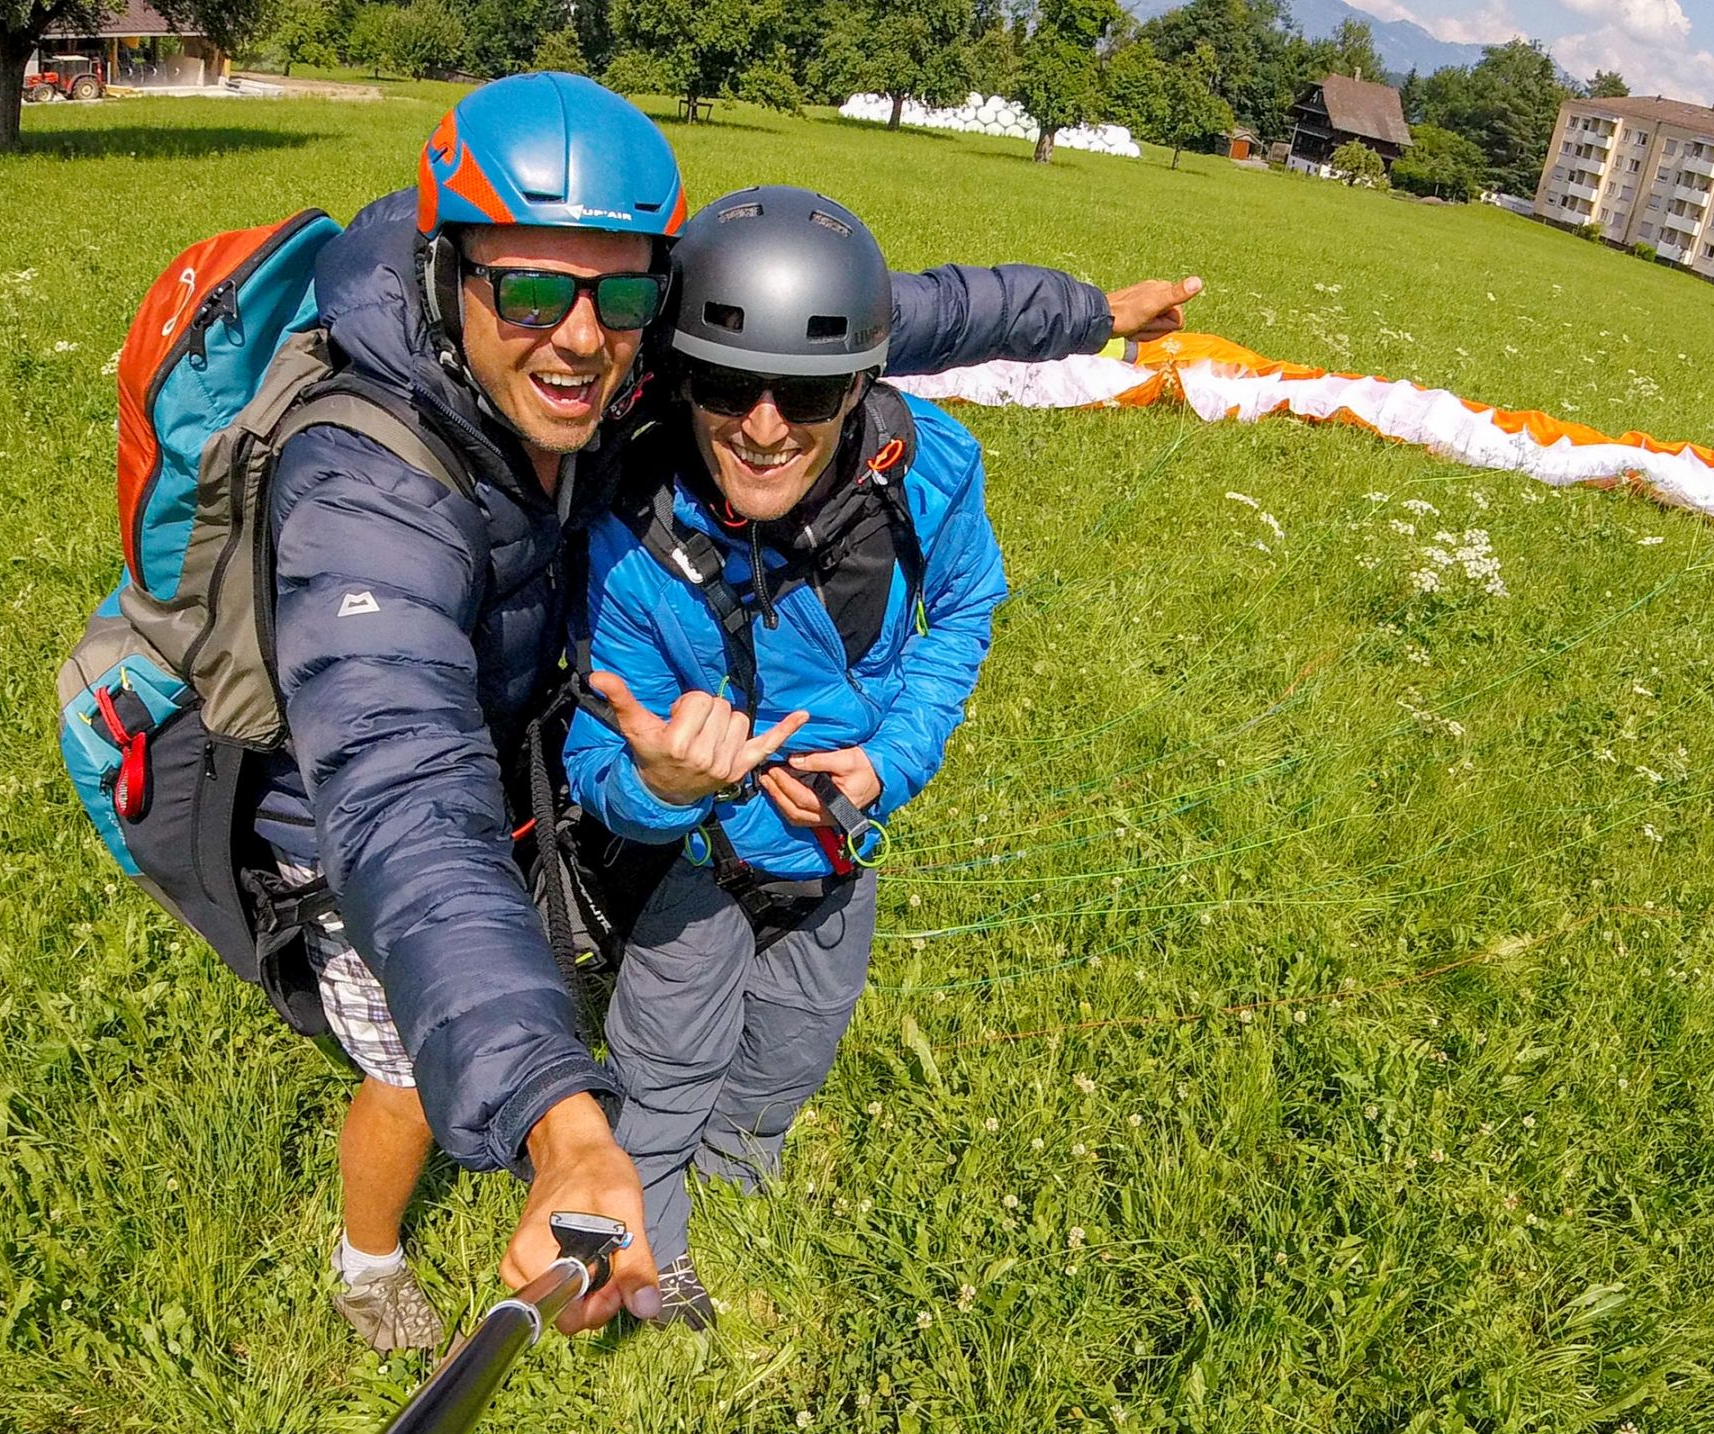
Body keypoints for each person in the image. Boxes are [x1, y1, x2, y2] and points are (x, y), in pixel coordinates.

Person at [257, 71, 1204, 1351]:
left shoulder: (664, 366)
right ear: (448, 275)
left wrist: (1088, 314)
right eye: (532, 291)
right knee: (407, 1065)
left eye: (621, 296)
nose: (581, 341)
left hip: (530, 729)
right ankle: (368, 1257)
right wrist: (564, 1113)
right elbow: (404, 805)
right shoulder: (362, 485)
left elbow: (895, 313)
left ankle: (684, 1166)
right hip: (353, 794)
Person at [564, 185, 1007, 1327]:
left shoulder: (925, 473)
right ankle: (649, 1255)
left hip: (834, 852)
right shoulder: (628, 531)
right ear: (674, 378)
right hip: (693, 858)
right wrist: (660, 783)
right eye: (723, 385)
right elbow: (589, 753)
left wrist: (889, 762)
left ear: (858, 386)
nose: (762, 427)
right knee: (665, 1066)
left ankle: (736, 1183)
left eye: (805, 392)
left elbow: (962, 613)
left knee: (788, 1053)